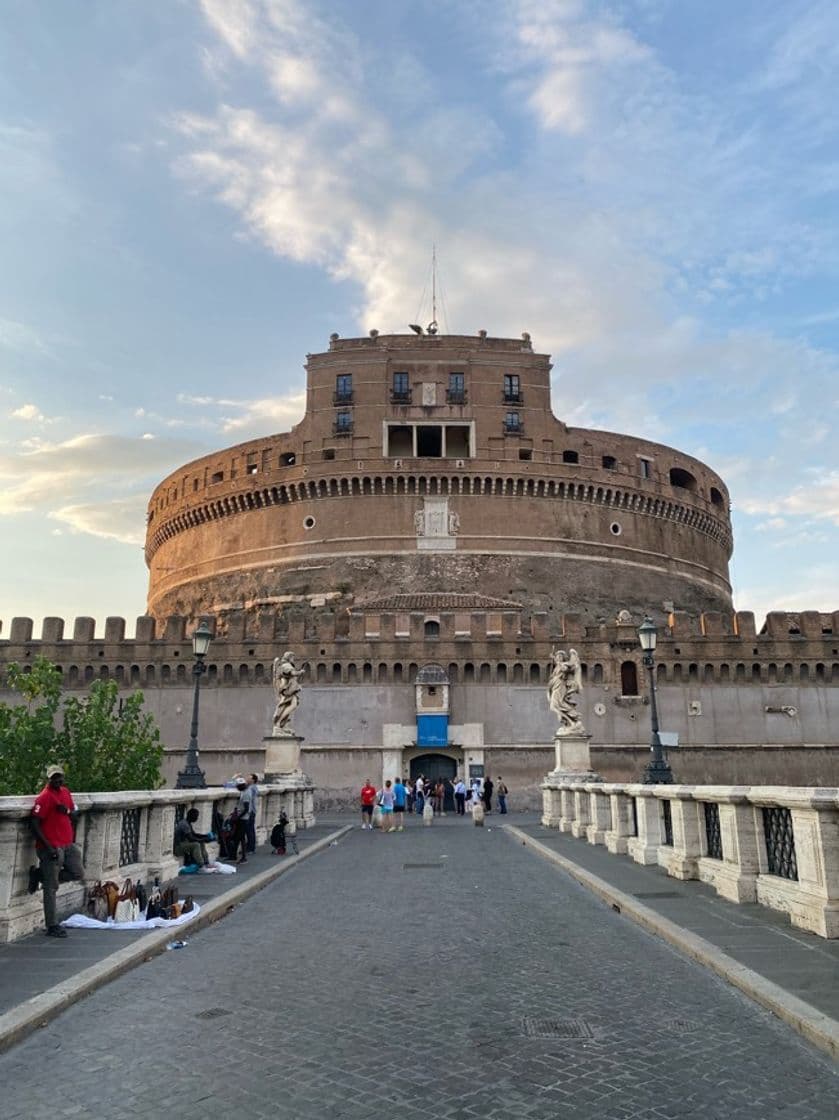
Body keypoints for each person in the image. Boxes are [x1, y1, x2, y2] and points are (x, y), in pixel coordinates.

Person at [29, 765, 85, 938]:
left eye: (59, 777)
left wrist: (67, 811)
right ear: (49, 779)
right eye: (54, 778)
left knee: (78, 873)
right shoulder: (44, 798)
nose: (57, 780)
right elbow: (34, 823)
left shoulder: (66, 792)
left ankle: (41, 875)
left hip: (67, 843)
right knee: (51, 887)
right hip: (51, 846)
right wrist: (47, 846)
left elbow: (75, 814)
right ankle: (52, 925)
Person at [233, 778, 252, 863]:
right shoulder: (244, 792)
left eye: (237, 786)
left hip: (243, 819)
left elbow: (246, 809)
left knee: (241, 837)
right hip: (243, 818)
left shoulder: (246, 794)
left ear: (241, 786)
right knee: (239, 837)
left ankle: (244, 857)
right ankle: (234, 855)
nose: (237, 788)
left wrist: (238, 817)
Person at [246, 773, 260, 853]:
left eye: (249, 778)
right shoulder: (254, 787)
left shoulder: (251, 788)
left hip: (250, 811)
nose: (247, 779)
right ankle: (251, 847)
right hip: (252, 811)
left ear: (253, 780)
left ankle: (250, 848)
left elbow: (249, 800)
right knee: (251, 829)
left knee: (249, 830)